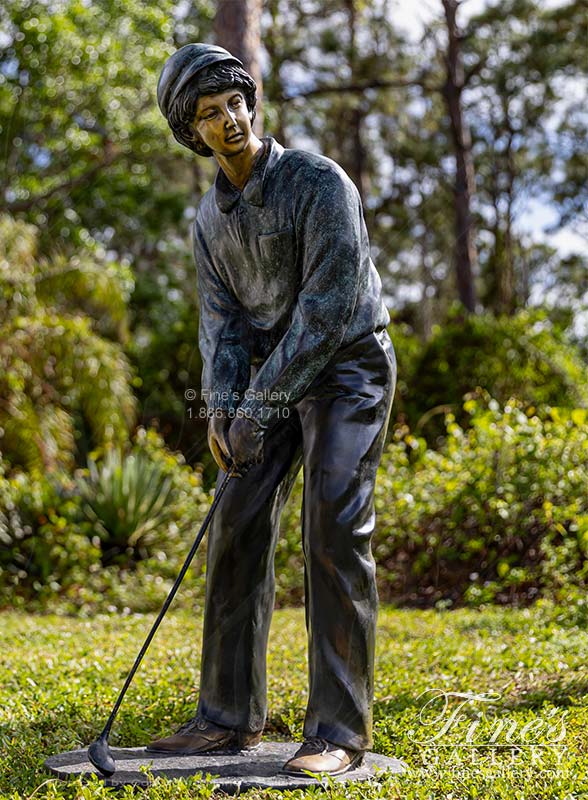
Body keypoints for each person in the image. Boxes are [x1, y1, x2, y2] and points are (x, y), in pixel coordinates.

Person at [148, 43, 396, 777]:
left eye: (235, 104)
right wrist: (226, 414)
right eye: (209, 114)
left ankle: (339, 732)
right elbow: (222, 326)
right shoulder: (209, 221)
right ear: (191, 133)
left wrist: (257, 405)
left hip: (348, 365)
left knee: (333, 523)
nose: (230, 121)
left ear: (251, 104)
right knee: (236, 520)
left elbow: (324, 313)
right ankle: (225, 719)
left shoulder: (320, 183)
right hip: (269, 379)